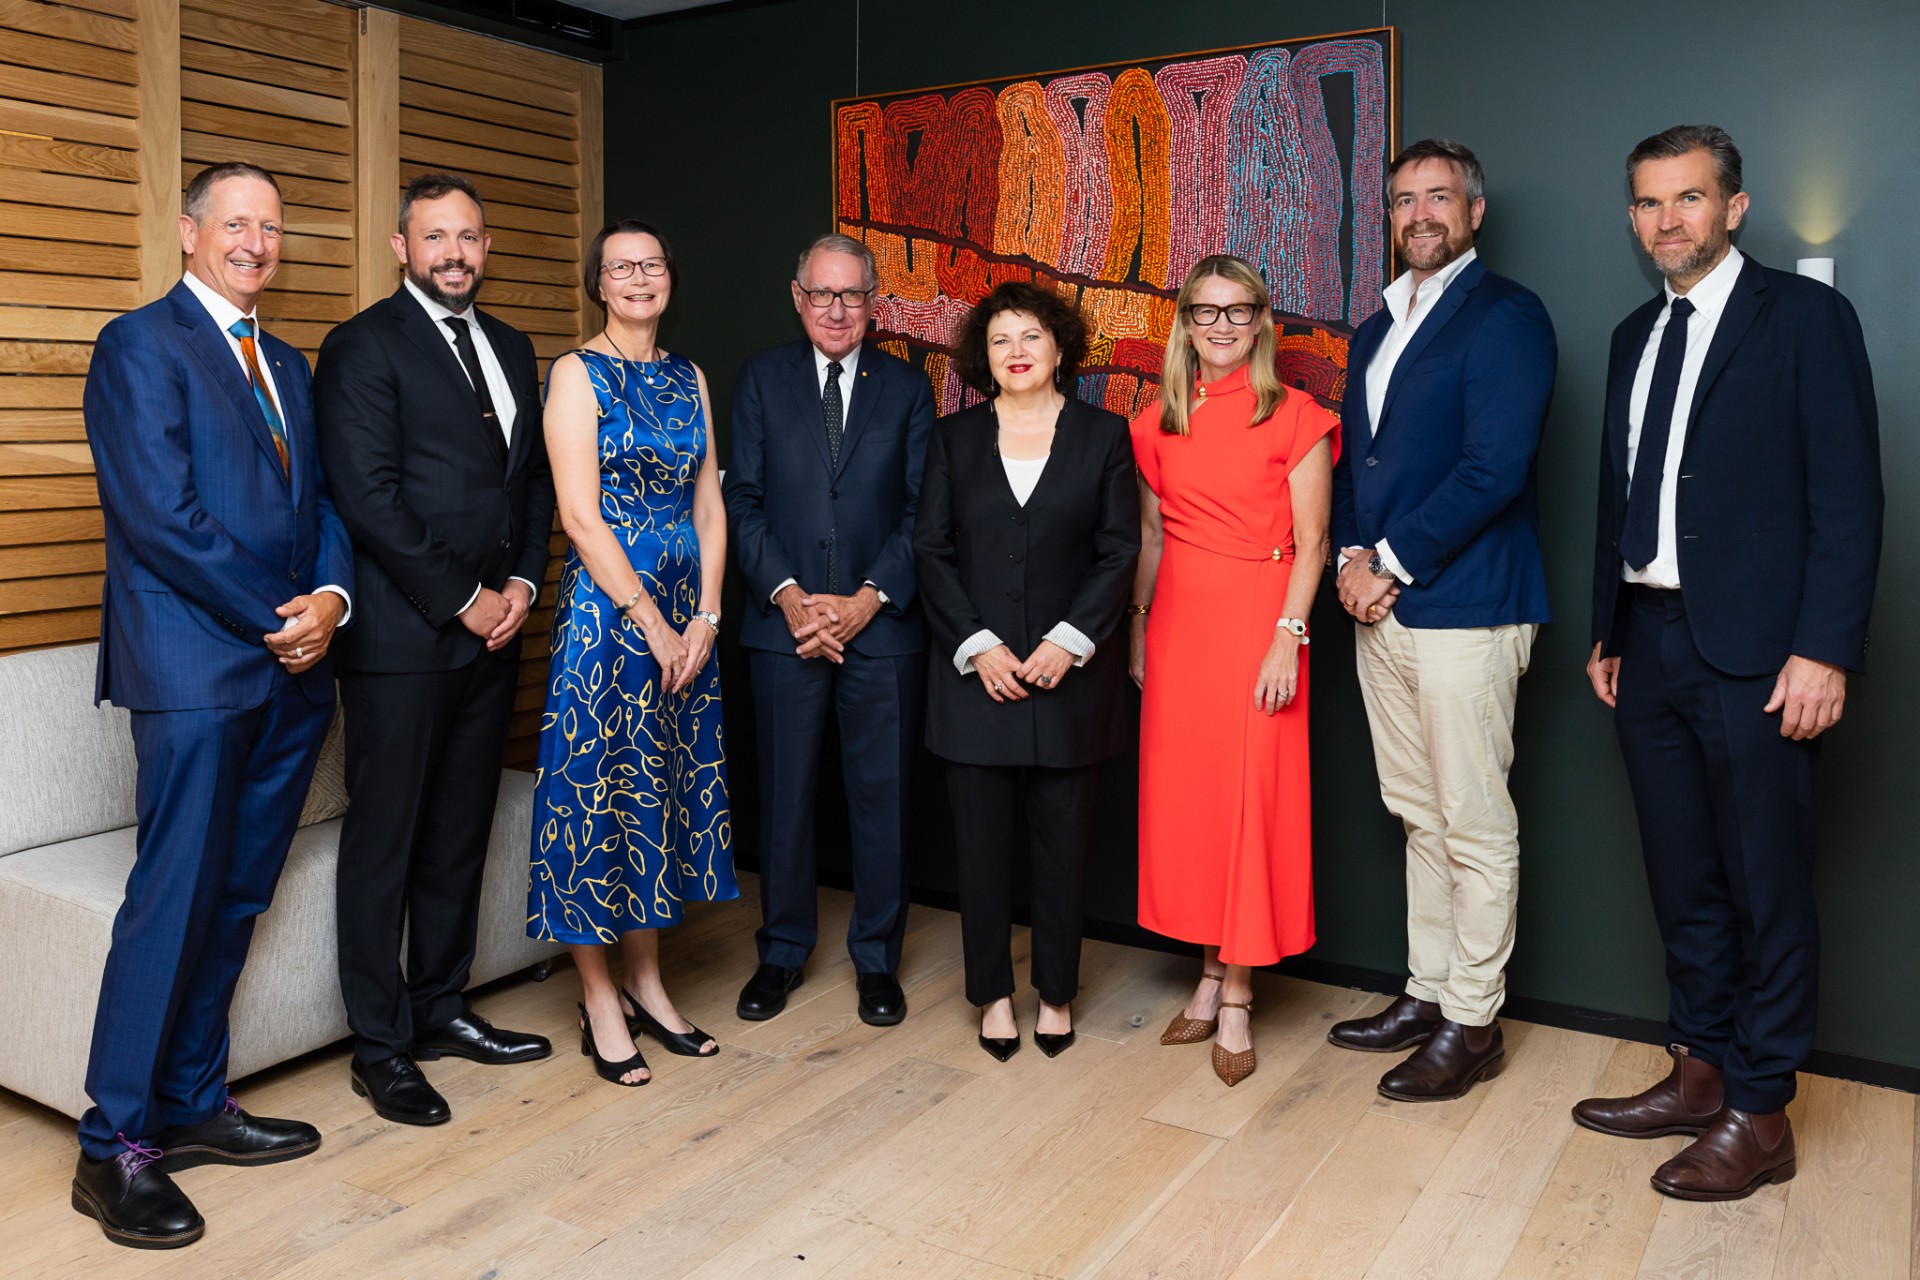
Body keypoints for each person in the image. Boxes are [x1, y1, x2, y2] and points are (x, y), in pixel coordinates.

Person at [1573, 125, 1881, 1201]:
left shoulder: (1804, 320)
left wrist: (1824, 650)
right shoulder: (1630, 335)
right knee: (1683, 875)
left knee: (1767, 885)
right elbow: (1620, 495)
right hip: (1649, 646)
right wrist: (1608, 628)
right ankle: (1699, 1068)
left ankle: (1760, 1107)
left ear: (1735, 207)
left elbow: (1848, 499)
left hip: (1764, 654)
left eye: (1689, 199)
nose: (1668, 220)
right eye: (1650, 202)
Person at [75, 161, 352, 1248]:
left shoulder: (287, 359)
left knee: (238, 895)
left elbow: (324, 501)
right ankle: (113, 1145)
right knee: (174, 896)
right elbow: (160, 515)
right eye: (235, 222)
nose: (255, 241)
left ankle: (191, 1098)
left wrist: (329, 598)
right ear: (189, 233)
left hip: (292, 671)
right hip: (195, 671)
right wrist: (278, 614)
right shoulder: (139, 344)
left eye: (270, 226)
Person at [315, 173, 555, 1125]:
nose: (455, 252)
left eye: (469, 237)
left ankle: (440, 1007)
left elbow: (527, 484)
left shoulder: (510, 344)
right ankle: (380, 1048)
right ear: (400, 246)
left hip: (496, 635)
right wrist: (464, 600)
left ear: (486, 247)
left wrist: (522, 590)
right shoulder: (362, 345)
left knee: (460, 831)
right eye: (436, 237)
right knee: (386, 843)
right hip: (405, 641)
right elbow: (368, 496)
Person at [1324, 139, 1557, 1103]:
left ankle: (1473, 1018)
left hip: (1467, 605)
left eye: (1439, 196)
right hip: (1379, 608)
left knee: (1472, 821)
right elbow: (1358, 463)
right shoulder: (1378, 325)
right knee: (1417, 815)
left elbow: (1493, 469)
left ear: (1474, 210)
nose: (1420, 213)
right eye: (1404, 200)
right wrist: (1347, 560)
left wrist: (1390, 563)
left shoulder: (1507, 316)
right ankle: (1425, 994)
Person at [528, 220, 737, 1086]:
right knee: (595, 798)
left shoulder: (688, 378)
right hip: (611, 622)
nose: (638, 278)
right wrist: (653, 622)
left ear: (669, 279)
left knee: (658, 793)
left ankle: (649, 981)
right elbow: (580, 517)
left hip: (689, 624)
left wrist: (707, 620)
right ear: (599, 286)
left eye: (652, 263)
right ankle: (599, 997)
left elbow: (711, 506)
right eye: (621, 268)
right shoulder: (577, 376)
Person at [913, 282, 1139, 1062]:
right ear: (985, 355)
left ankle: (1057, 992)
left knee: (1063, 848)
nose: (1016, 351)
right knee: (980, 853)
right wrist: (977, 645)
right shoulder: (951, 440)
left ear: (1059, 348)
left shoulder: (1106, 436)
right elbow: (931, 552)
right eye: (1002, 339)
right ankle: (992, 996)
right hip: (975, 683)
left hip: (1068, 684)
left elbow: (1120, 550)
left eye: (1032, 337)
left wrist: (1068, 640)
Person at [1129, 254, 1338, 1087]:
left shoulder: (1296, 415)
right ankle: (1210, 972)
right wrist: (1139, 633)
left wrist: (1289, 635)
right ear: (1184, 323)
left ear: (1261, 321)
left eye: (1237, 310)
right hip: (1180, 625)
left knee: (1254, 803)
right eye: (1205, 311)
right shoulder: (1154, 421)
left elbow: (1315, 541)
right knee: (1200, 803)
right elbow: (1149, 539)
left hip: (1260, 621)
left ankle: (1240, 991)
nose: (1221, 325)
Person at [722, 233, 937, 1027]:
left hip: (881, 633)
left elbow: (924, 512)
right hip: (785, 629)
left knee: (883, 804)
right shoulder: (761, 380)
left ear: (874, 301)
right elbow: (739, 499)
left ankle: (877, 962)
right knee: (784, 801)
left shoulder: (909, 391)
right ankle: (780, 952)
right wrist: (789, 596)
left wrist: (867, 599)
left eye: (852, 295)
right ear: (797, 296)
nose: (837, 310)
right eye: (822, 294)